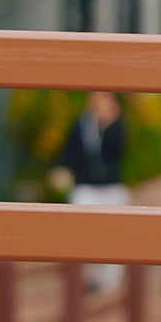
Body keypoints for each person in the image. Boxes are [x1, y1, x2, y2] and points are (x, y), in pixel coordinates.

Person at [52, 91, 130, 292]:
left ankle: (110, 281)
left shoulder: (117, 123)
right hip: (86, 185)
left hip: (111, 186)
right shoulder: (82, 124)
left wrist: (109, 123)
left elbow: (120, 150)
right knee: (85, 227)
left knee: (115, 232)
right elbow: (69, 153)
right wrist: (62, 170)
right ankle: (89, 277)